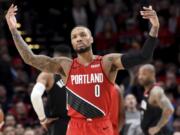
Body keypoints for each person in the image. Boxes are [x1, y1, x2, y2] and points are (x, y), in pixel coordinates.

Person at [6, 4, 159, 135]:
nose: (78, 38)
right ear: (72, 43)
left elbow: (143, 56)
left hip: (101, 125)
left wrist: (154, 29)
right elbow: (30, 59)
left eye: (82, 35)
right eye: (74, 37)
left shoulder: (107, 62)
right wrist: (14, 31)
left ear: (91, 39)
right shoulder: (65, 66)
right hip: (76, 126)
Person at [30, 45, 71, 135]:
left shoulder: (47, 75)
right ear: (70, 58)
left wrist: (43, 119)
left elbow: (35, 96)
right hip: (81, 123)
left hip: (58, 125)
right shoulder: (82, 73)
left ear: (53, 59)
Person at [138, 64, 174, 135]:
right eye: (139, 74)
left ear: (152, 75)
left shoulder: (155, 91)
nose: (140, 77)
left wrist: (158, 127)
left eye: (144, 74)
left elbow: (169, 109)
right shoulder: (147, 91)